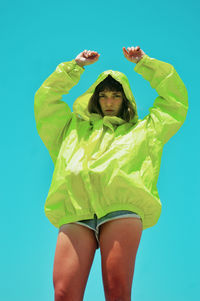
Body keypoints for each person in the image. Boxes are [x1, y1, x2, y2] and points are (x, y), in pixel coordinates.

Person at [34, 46, 188, 301]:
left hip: (121, 211)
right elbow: (45, 100)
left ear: (125, 99)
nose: (109, 102)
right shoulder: (69, 129)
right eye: (103, 95)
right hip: (75, 212)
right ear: (94, 98)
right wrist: (75, 67)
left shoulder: (145, 131)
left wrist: (144, 63)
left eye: (116, 96)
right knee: (63, 294)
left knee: (116, 292)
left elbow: (175, 101)